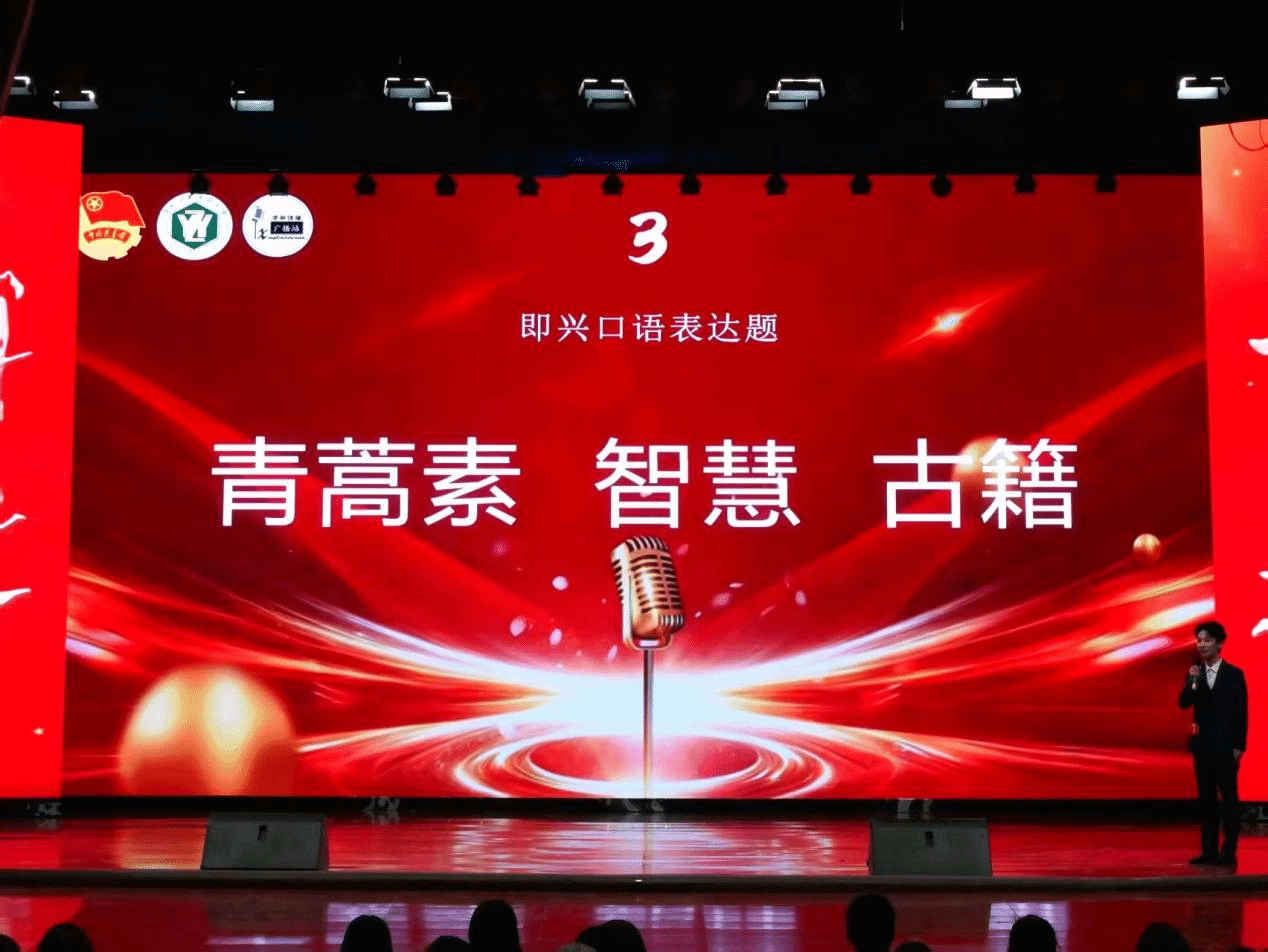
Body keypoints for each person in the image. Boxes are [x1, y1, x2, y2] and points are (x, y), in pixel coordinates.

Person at [1179, 620, 1248, 866]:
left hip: (1226, 747)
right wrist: (1192, 681)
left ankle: (1228, 852)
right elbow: (1184, 703)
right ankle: (1208, 851)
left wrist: (1239, 746)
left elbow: (1241, 714)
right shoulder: (1194, 673)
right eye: (1199, 640)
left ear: (1219, 644)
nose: (1202, 644)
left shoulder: (1234, 675)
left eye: (1207, 640)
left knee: (1229, 800)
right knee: (1206, 801)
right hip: (1203, 747)